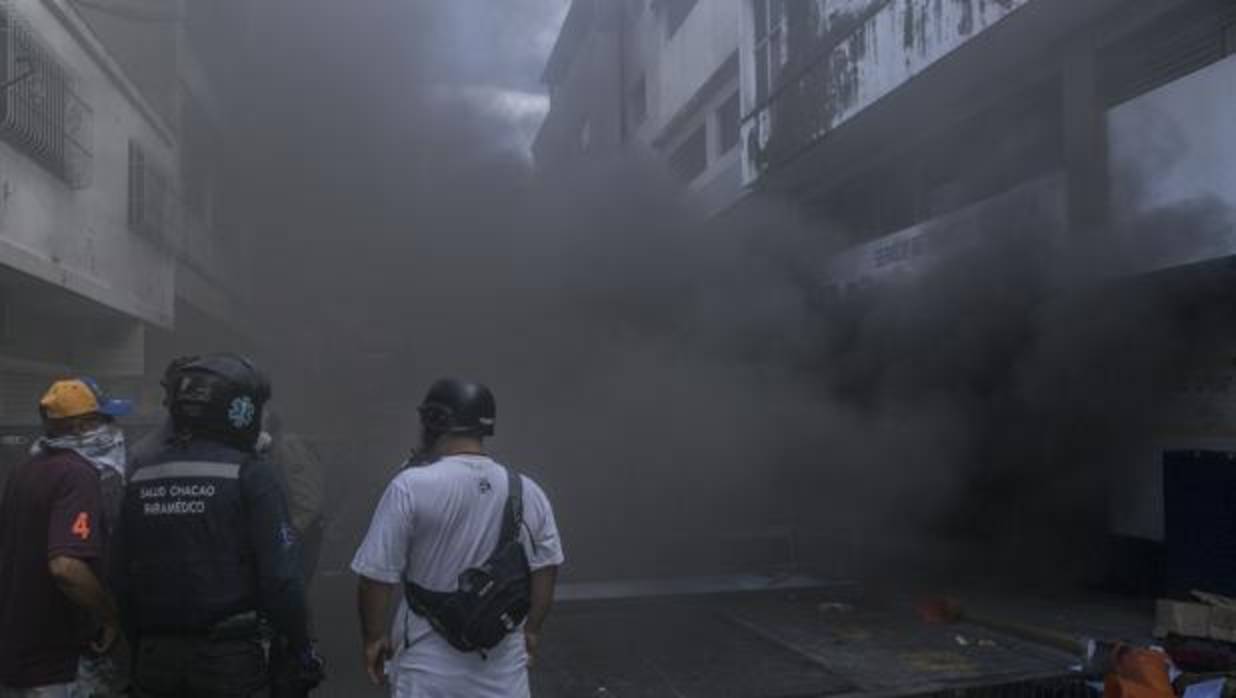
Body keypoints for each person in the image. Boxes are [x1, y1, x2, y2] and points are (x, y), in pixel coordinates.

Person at [110, 353, 322, 698]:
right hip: (229, 659)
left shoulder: (142, 472)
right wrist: (300, 647)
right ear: (240, 409)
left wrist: (141, 644)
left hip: (154, 659)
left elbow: (118, 576)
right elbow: (282, 579)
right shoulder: (252, 473)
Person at [352, 378, 564, 698]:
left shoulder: (410, 486)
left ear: (435, 421)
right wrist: (531, 630)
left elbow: (375, 578)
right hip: (503, 671)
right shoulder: (528, 491)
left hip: (426, 670)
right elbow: (545, 572)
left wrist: (373, 637)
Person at [0, 378, 129, 698]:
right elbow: (66, 566)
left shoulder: (24, 471)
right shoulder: (78, 474)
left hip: (16, 659)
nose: (113, 430)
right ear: (85, 425)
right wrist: (109, 614)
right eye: (105, 420)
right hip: (57, 666)